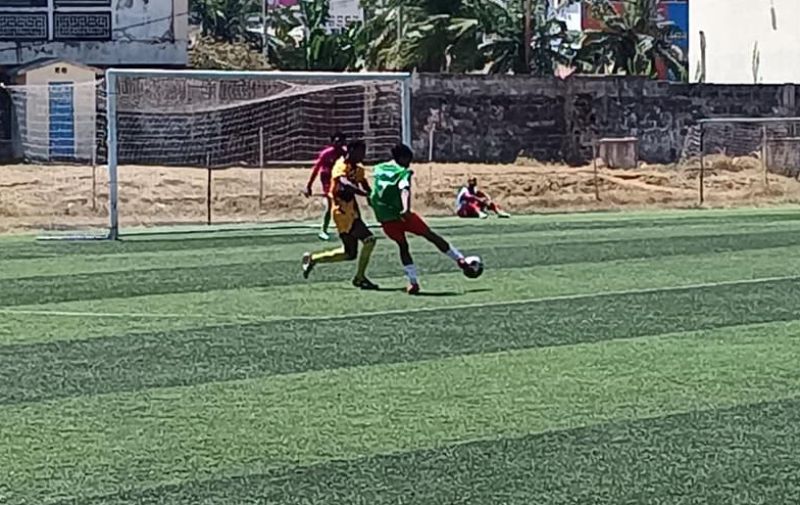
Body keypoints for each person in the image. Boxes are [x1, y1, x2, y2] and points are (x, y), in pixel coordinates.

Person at [370, 143, 471, 295]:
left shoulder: (378, 168)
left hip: (385, 217)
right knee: (430, 236)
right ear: (402, 158)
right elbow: (404, 189)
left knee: (403, 246)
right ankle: (460, 259)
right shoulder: (403, 172)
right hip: (403, 216)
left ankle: (413, 282)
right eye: (408, 160)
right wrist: (405, 208)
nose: (409, 164)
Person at [302, 140, 379, 290]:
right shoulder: (340, 165)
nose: (363, 155)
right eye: (360, 152)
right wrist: (363, 193)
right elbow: (344, 182)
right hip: (342, 213)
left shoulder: (358, 169)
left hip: (353, 212)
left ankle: (313, 259)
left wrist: (373, 196)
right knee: (369, 240)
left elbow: (364, 184)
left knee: (349, 253)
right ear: (350, 150)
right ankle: (360, 278)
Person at [305, 132, 347, 240]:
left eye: (341, 141)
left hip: (340, 179)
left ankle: (344, 228)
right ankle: (323, 230)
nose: (339, 143)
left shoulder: (344, 153)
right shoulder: (326, 154)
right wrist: (309, 185)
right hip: (327, 179)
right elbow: (316, 169)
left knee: (343, 203)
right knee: (330, 203)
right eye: (336, 141)